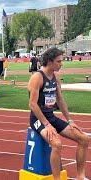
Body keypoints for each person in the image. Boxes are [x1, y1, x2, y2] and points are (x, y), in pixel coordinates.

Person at [28, 47, 89, 180]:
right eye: (59, 61)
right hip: (38, 119)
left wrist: (70, 121)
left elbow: (60, 100)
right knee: (57, 144)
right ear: (50, 61)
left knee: (84, 139)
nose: (62, 64)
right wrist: (46, 124)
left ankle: (81, 176)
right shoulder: (37, 77)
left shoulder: (55, 76)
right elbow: (32, 104)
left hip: (51, 117)